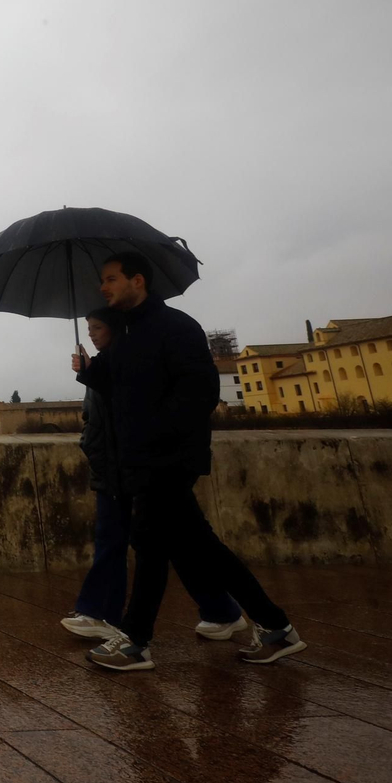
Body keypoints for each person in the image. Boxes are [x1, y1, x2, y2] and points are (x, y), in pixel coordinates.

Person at [71, 251, 307, 671]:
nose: (102, 288)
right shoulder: (128, 335)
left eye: (110, 279)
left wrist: (155, 435)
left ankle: (136, 641)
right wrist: (91, 371)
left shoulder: (176, 327)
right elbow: (124, 388)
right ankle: (275, 627)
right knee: (200, 549)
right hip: (144, 460)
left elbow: (200, 393)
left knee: (149, 544)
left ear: (137, 280)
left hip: (169, 458)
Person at [59, 307, 247, 642]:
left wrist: (92, 374)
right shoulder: (106, 365)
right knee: (174, 545)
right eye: (88, 327)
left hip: (127, 472)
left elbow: (122, 420)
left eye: (97, 326)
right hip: (117, 470)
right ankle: (222, 610)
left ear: (115, 329)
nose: (90, 332)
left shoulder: (123, 365)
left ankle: (102, 614)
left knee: (123, 542)